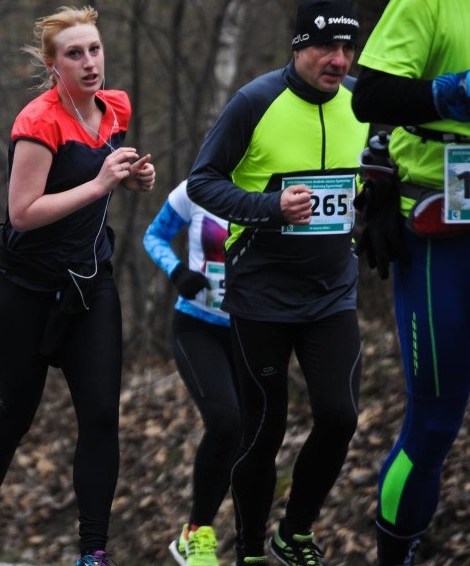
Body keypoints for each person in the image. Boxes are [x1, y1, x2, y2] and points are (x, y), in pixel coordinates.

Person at [0, 6, 155, 566]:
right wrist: (99, 185)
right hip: (21, 292)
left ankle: (93, 552)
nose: (89, 63)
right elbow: (23, 212)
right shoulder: (38, 122)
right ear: (53, 64)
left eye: (94, 49)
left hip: (89, 288)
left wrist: (132, 177)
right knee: (12, 415)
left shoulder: (114, 109)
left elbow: (106, 174)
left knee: (99, 414)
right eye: (74, 54)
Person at [186, 1, 368, 564]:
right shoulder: (256, 101)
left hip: (332, 291)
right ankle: (251, 551)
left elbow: (377, 171)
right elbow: (202, 182)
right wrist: (269, 207)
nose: (338, 60)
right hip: (260, 293)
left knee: (339, 416)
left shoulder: (362, 101)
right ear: (298, 46)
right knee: (263, 430)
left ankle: (294, 535)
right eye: (325, 49)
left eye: (347, 49)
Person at [351, 0, 470, 563]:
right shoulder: (429, 3)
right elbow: (369, 96)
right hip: (437, 226)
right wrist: (448, 94)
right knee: (437, 417)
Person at [143, 180, 239, 566]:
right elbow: (154, 237)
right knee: (226, 422)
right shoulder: (196, 189)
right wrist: (178, 271)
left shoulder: (274, 189)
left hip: (256, 330)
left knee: (252, 436)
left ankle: (249, 542)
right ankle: (196, 534)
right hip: (198, 326)